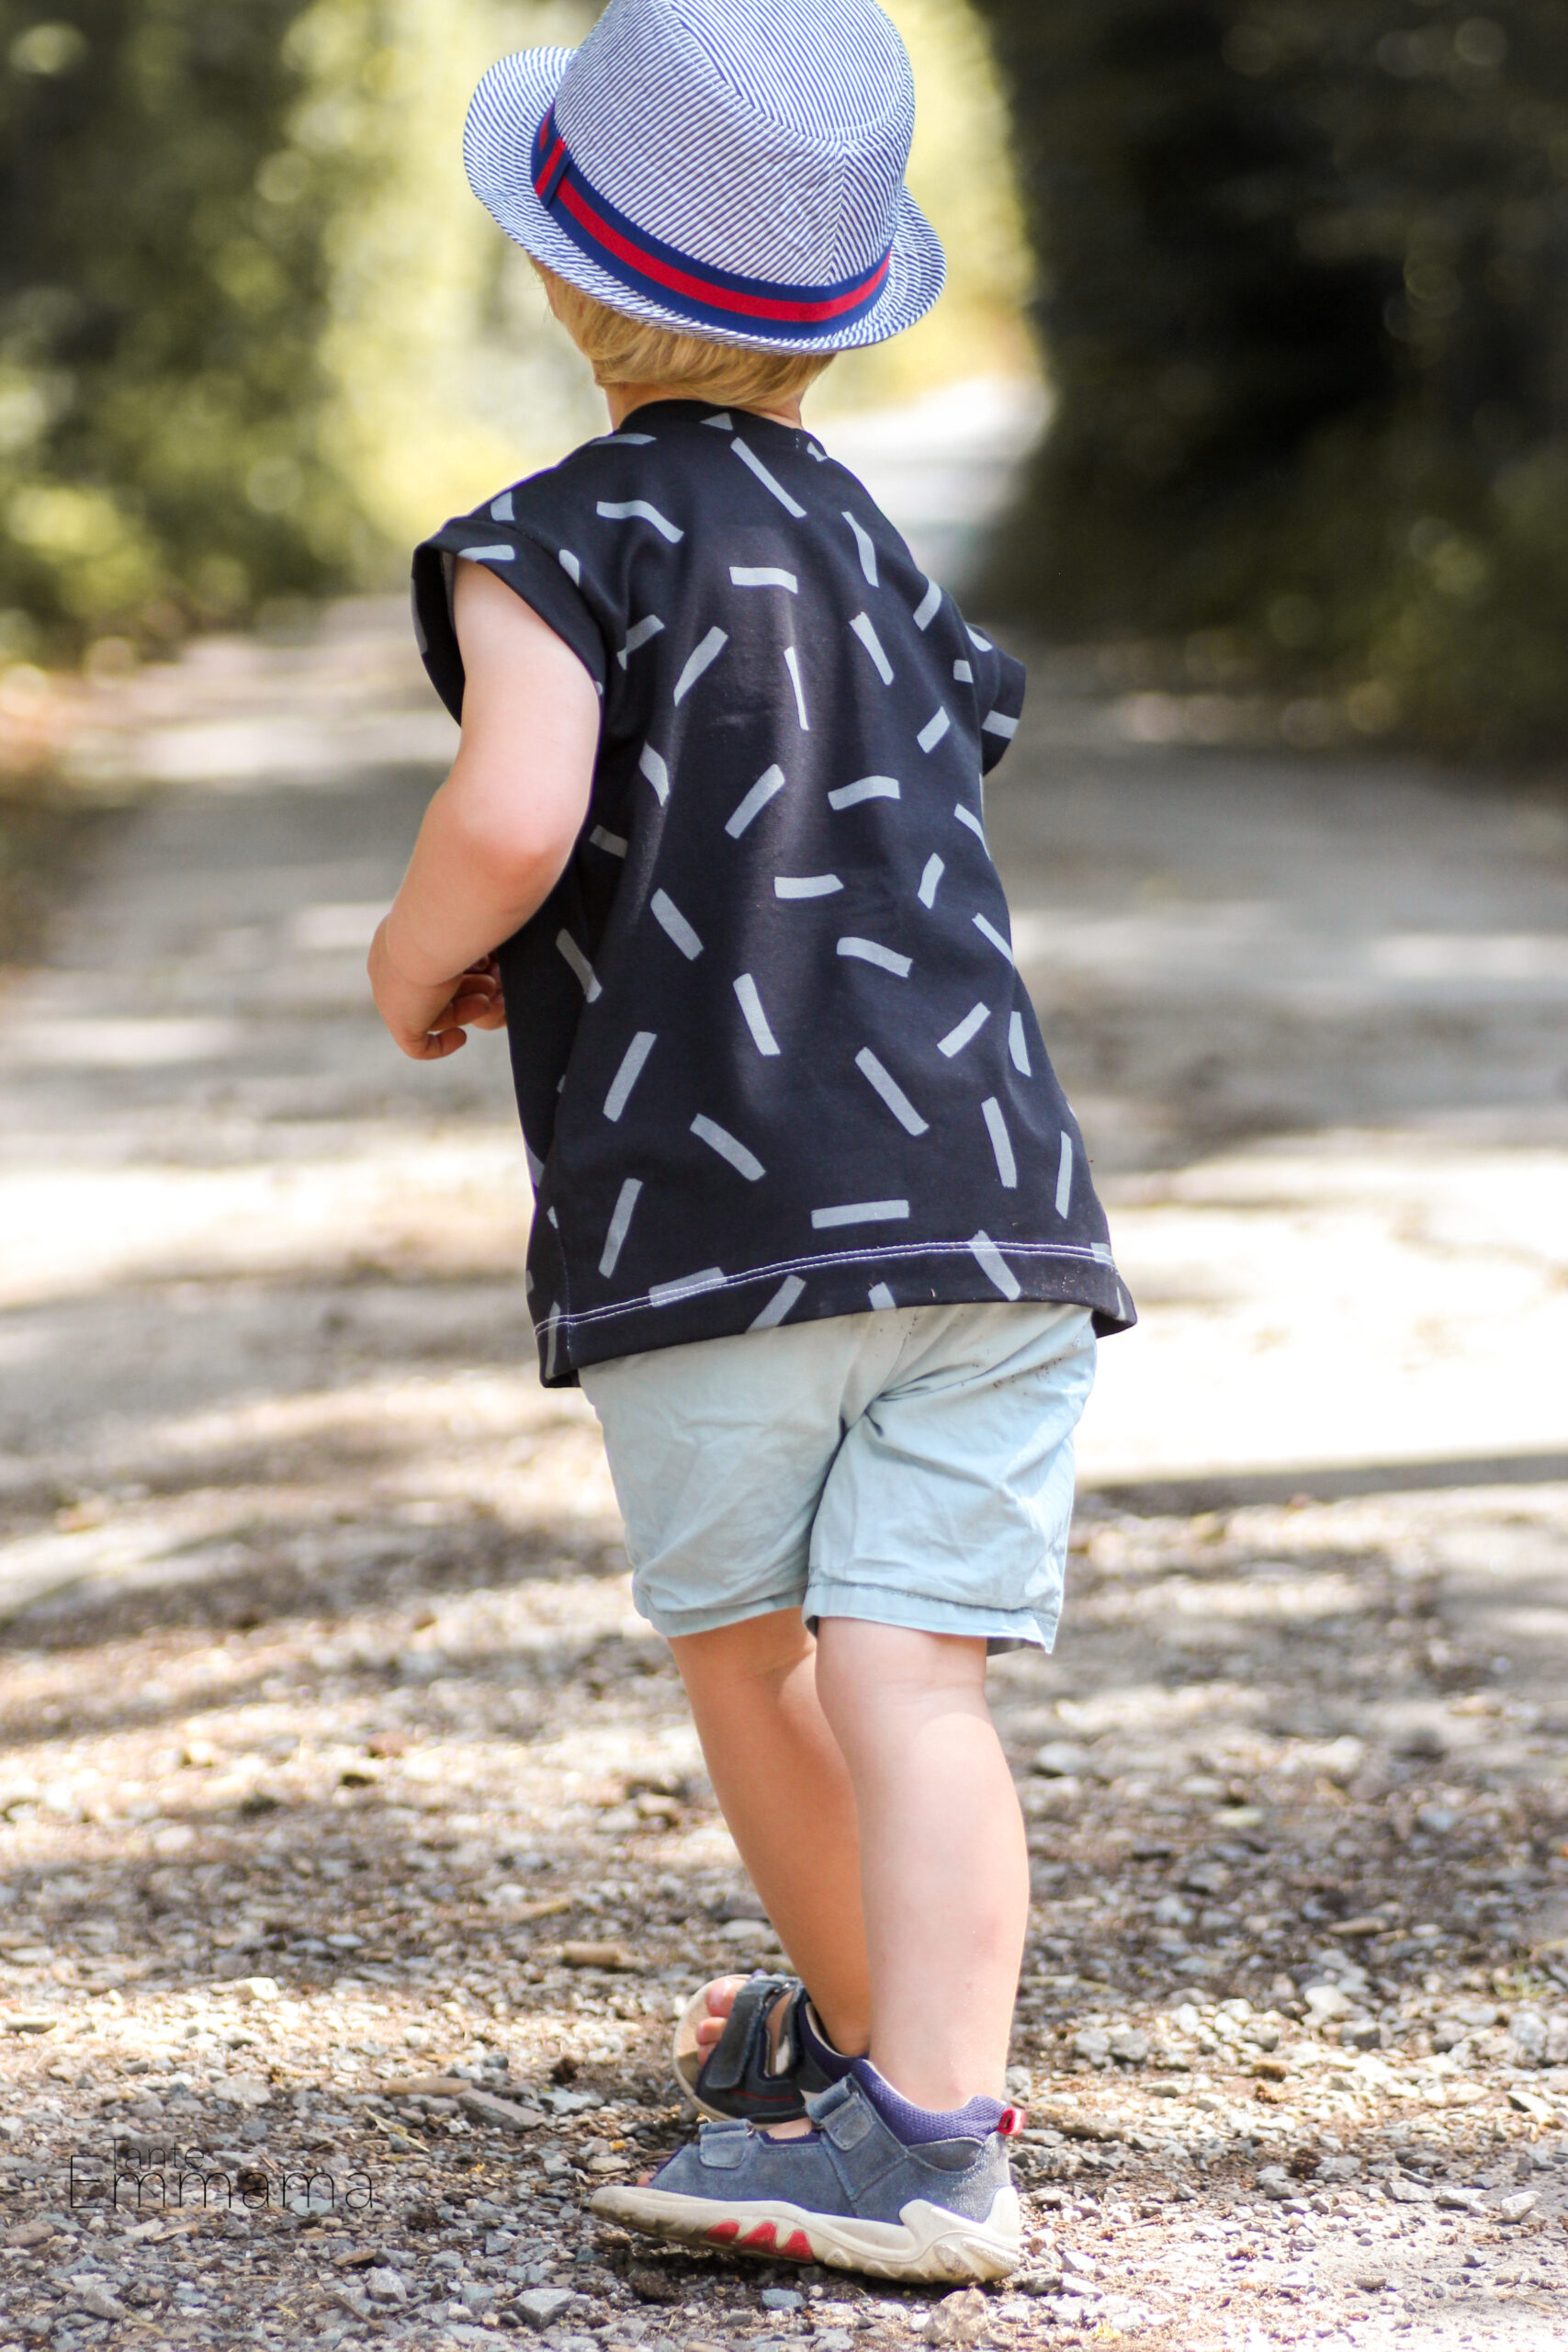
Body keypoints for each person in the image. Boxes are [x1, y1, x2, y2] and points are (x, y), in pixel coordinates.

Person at [369, 0, 1134, 2285]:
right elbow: (890, 787)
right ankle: (926, 2119)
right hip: (988, 1210)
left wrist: (420, 958)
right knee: (918, 1677)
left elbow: (519, 810)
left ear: (557, 271)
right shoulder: (871, 537)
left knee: (753, 1653)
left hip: (719, 1221)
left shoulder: (547, 537)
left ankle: (884, 2063)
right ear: (835, 308)